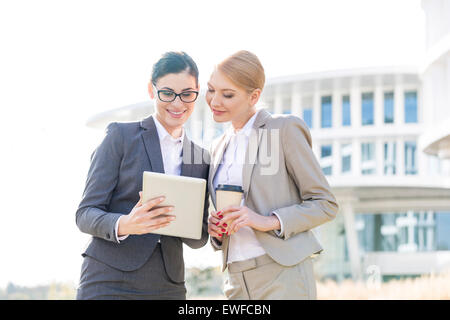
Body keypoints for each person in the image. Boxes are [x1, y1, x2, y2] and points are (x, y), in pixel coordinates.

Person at [76, 51, 210, 300]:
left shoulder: (200, 158)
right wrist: (125, 224)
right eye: (168, 93)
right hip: (108, 279)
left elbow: (197, 238)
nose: (178, 103)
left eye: (187, 94)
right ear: (152, 90)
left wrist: (213, 228)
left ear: (197, 92)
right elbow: (85, 214)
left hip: (167, 284)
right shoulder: (121, 137)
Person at [206, 50, 339, 300]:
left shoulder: (283, 129)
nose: (214, 101)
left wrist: (268, 221)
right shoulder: (216, 148)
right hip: (235, 280)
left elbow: (326, 204)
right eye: (211, 89)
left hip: (282, 273)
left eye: (228, 94)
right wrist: (216, 230)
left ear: (254, 96)